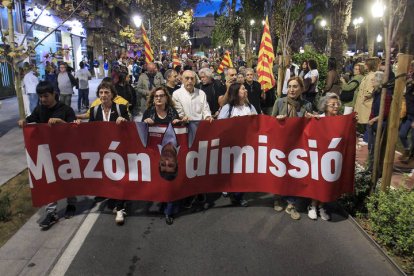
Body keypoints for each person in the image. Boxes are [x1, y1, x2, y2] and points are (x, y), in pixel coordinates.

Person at [18, 81, 77, 229]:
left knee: (69, 179)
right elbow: (30, 121)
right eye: (40, 97)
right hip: (47, 153)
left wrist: (61, 122)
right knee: (50, 181)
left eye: (46, 96)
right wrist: (24, 122)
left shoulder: (66, 110)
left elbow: (74, 129)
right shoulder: (39, 110)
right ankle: (52, 213)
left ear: (54, 94)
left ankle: (71, 204)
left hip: (65, 153)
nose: (43, 99)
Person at [271, 76, 315, 220]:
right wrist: (277, 121)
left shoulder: (307, 105)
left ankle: (291, 203)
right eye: (289, 86)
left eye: (295, 86)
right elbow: (270, 123)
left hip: (298, 145)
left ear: (301, 89)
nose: (291, 89)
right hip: (281, 143)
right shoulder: (279, 102)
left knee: (295, 173)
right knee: (280, 171)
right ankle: (278, 197)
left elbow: (311, 127)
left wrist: (311, 119)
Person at [88, 80, 129, 225]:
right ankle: (113, 199)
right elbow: (90, 131)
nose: (103, 95)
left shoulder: (120, 108)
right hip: (102, 150)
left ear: (112, 94)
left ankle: (120, 207)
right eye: (101, 92)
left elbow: (130, 129)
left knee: (119, 176)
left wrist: (123, 121)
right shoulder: (94, 110)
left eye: (106, 92)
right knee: (108, 176)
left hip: (119, 150)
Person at [142, 87, 181, 225]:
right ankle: (163, 201)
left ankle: (169, 210)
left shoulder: (172, 112)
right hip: (154, 153)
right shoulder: (149, 113)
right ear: (153, 99)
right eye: (156, 96)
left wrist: (181, 121)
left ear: (166, 98)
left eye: (161, 95)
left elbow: (181, 129)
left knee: (170, 183)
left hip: (172, 151)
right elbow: (141, 133)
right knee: (159, 181)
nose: (158, 98)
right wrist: (145, 123)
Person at [217, 83, 257, 207]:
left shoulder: (250, 106)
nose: (245, 90)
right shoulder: (227, 108)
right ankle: (228, 187)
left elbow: (258, 123)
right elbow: (219, 126)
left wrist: (253, 119)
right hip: (231, 145)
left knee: (243, 170)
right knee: (230, 169)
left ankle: (239, 196)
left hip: (246, 145)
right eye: (243, 88)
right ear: (236, 92)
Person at [307, 93, 342, 221]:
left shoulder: (340, 120)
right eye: (332, 104)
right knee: (317, 181)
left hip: (332, 155)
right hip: (318, 155)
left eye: (337, 104)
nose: (336, 107)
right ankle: (312, 205)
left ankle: (322, 206)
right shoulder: (318, 118)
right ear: (325, 106)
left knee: (327, 182)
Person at [354, 57, 379, 142]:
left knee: (368, 121)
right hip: (363, 102)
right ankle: (366, 137)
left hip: (366, 103)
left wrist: (365, 97)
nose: (364, 65)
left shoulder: (372, 76)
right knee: (364, 121)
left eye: (366, 64)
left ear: (369, 65)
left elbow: (370, 90)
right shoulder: (368, 75)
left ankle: (368, 139)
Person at [399, 61, 414, 162]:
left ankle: (410, 157)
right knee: (402, 134)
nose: (411, 68)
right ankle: (407, 149)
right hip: (408, 114)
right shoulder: (409, 80)